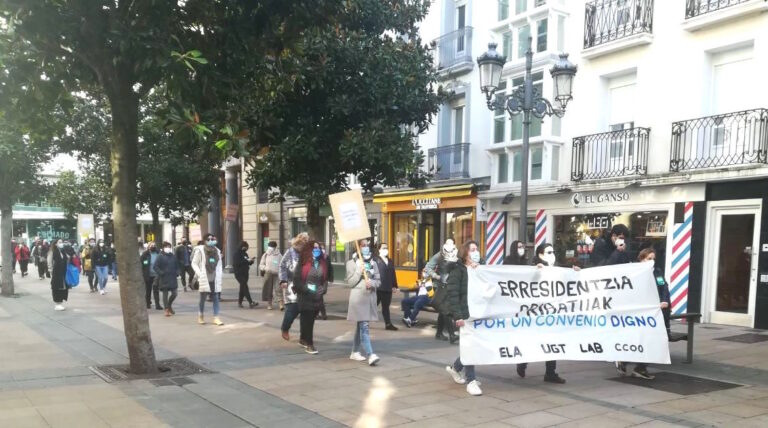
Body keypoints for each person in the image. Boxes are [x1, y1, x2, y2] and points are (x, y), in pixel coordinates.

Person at [516, 243, 568, 384]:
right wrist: (535, 272)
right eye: (549, 252)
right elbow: (525, 285)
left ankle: (550, 372)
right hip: (536, 312)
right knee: (534, 340)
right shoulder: (534, 266)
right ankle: (522, 362)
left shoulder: (556, 268)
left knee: (552, 341)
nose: (552, 255)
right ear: (540, 254)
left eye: (553, 252)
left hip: (552, 311)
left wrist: (575, 272)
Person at [614, 248, 669, 380]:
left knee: (652, 339)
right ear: (641, 259)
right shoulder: (634, 272)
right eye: (649, 258)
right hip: (639, 313)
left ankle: (637, 366)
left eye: (654, 259)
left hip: (654, 312)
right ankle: (627, 362)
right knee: (640, 338)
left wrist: (664, 300)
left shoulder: (657, 272)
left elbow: (663, 287)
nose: (652, 261)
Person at [445, 240, 482, 396]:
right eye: (472, 249)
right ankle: (471, 380)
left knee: (474, 346)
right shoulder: (457, 271)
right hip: (465, 314)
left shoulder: (480, 268)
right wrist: (458, 316)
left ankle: (456, 368)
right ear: (465, 253)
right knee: (470, 346)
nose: (476, 252)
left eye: (477, 249)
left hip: (478, 313)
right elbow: (453, 295)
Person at [345, 239, 381, 366]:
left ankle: (355, 351)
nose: (366, 247)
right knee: (364, 326)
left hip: (370, 299)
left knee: (360, 326)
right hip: (358, 300)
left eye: (367, 245)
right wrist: (359, 271)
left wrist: (372, 283)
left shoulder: (373, 263)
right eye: (363, 245)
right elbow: (350, 283)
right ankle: (371, 354)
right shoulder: (351, 263)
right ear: (358, 247)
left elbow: (378, 280)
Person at [292, 240, 328, 354]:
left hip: (317, 296)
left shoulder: (322, 263)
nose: (317, 250)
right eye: (314, 248)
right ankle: (310, 344)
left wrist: (324, 289)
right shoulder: (302, 263)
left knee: (308, 319)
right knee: (309, 320)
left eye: (318, 248)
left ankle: (303, 339)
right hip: (305, 296)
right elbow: (296, 280)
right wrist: (307, 290)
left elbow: (325, 279)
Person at [424, 239, 459, 343]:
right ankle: (452, 335)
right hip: (441, 287)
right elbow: (427, 268)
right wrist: (436, 276)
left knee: (443, 311)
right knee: (445, 310)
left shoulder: (456, 255)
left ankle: (439, 333)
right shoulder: (439, 255)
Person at [279, 233, 308, 339]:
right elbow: (282, 266)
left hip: (305, 284)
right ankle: (285, 328)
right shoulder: (290, 252)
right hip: (292, 285)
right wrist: (283, 280)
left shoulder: (308, 253)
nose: (305, 242)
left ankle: (304, 336)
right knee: (292, 309)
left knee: (306, 311)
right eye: (304, 240)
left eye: (307, 240)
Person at [191, 234, 224, 325]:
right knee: (203, 298)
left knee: (216, 297)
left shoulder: (217, 251)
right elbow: (194, 263)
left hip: (214, 278)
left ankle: (216, 317)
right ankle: (201, 316)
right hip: (204, 277)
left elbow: (219, 265)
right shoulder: (200, 250)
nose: (211, 241)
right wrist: (199, 274)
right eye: (208, 239)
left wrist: (220, 274)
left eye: (212, 239)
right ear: (205, 241)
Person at [374, 242, 398, 331]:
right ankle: (364, 322)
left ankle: (388, 324)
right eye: (383, 248)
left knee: (386, 307)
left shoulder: (390, 261)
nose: (386, 250)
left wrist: (394, 285)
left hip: (387, 288)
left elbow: (393, 274)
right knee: (373, 306)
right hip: (378, 288)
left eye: (386, 248)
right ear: (379, 249)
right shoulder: (375, 260)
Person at [154, 242, 179, 317]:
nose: (168, 248)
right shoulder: (160, 256)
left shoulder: (173, 256)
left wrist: (178, 272)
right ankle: (166, 309)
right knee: (165, 294)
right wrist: (161, 273)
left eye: (169, 247)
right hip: (164, 278)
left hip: (172, 277)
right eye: (167, 247)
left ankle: (169, 305)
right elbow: (155, 266)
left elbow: (177, 265)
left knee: (174, 293)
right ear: (163, 248)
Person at [234, 241, 258, 308]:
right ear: (242, 246)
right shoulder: (236, 254)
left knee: (242, 287)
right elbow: (237, 263)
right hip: (239, 273)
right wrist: (246, 261)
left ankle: (240, 302)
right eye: (245, 247)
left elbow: (248, 262)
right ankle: (251, 302)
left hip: (245, 273)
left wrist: (251, 261)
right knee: (245, 287)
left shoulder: (245, 254)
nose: (246, 248)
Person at [259, 241, 281, 310]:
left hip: (277, 274)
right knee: (268, 289)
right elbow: (261, 264)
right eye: (270, 247)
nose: (271, 248)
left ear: (275, 247)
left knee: (278, 288)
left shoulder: (279, 255)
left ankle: (281, 302)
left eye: (272, 247)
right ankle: (269, 303)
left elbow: (282, 263)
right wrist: (265, 268)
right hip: (268, 273)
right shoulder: (265, 254)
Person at [140, 242, 163, 308]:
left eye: (154, 245)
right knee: (148, 290)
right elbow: (142, 263)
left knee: (156, 289)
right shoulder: (145, 254)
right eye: (151, 245)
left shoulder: (159, 253)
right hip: (148, 275)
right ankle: (147, 303)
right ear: (148, 247)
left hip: (156, 274)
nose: (153, 246)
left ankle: (157, 304)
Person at [50, 239, 70, 311]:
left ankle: (60, 303)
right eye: (60, 242)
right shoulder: (53, 251)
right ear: (56, 244)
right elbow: (50, 262)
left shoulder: (62, 251)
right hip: (56, 273)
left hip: (63, 272)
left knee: (63, 288)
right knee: (57, 287)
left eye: (62, 242)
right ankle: (57, 304)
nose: (61, 244)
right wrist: (50, 271)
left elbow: (67, 259)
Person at [316, 243, 333, 320]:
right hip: (314, 279)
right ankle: (322, 314)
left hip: (323, 279)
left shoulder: (325, 257)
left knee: (319, 296)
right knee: (318, 297)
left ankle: (320, 313)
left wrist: (330, 278)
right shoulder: (312, 257)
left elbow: (329, 267)